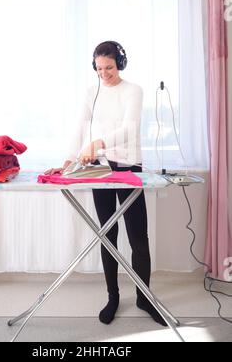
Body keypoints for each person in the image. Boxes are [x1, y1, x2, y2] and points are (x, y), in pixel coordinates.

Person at [45, 41, 166, 326]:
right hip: (99, 169)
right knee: (106, 234)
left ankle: (144, 298)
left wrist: (99, 142)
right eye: (99, 69)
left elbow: (130, 128)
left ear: (120, 64)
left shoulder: (133, 91)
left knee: (138, 236)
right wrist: (68, 160)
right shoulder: (91, 93)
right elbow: (79, 126)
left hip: (128, 166)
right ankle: (113, 297)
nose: (104, 74)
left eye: (109, 68)